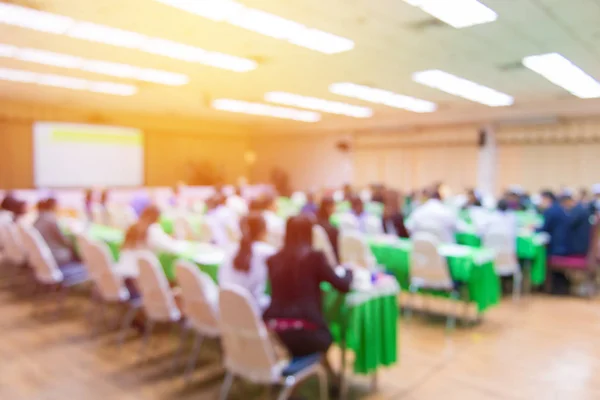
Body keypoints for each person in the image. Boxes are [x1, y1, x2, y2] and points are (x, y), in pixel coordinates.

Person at [264, 215, 352, 376]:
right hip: (308, 333)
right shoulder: (314, 258)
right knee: (324, 336)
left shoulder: (273, 259)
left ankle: (325, 374)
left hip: (278, 331)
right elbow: (342, 285)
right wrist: (349, 271)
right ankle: (330, 377)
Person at [218, 212, 275, 310]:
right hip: (252, 311)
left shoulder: (231, 249)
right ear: (264, 231)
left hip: (225, 309)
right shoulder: (267, 251)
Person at [116, 204, 180, 278]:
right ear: (157, 217)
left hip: (123, 274)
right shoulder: (153, 229)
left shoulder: (133, 227)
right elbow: (172, 248)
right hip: (138, 277)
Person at [33, 197, 79, 267]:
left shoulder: (38, 218)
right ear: (54, 206)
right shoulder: (51, 220)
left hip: (42, 253)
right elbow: (62, 240)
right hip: (54, 254)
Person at [538, 190, 568, 256]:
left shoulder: (550, 211)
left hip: (556, 248)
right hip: (563, 245)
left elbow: (544, 228)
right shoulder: (558, 208)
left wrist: (533, 228)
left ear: (547, 199)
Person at [316, 196, 340, 262]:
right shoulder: (332, 229)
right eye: (334, 206)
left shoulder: (315, 221)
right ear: (328, 207)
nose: (335, 209)